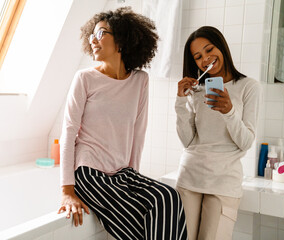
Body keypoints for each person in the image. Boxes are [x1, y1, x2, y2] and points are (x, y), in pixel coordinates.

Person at [58, 7, 187, 240]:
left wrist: (134, 180)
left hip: (123, 174)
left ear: (122, 40)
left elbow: (138, 133)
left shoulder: (140, 80)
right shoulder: (85, 78)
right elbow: (68, 133)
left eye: (101, 34)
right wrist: (67, 191)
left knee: (168, 197)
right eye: (91, 36)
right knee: (141, 229)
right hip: (90, 173)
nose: (93, 41)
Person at [175, 26, 262, 240]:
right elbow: (188, 141)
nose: (205, 59)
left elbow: (246, 141)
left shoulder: (248, 87)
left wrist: (229, 112)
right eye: (198, 57)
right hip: (189, 177)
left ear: (221, 46)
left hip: (223, 184)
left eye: (209, 49)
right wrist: (179, 101)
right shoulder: (197, 90)